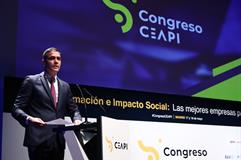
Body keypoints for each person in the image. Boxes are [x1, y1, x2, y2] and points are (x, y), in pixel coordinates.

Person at [12, 47, 82, 160]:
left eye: (58, 58)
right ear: (44, 61)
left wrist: (77, 119)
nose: (56, 61)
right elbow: (16, 109)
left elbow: (74, 109)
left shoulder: (65, 86)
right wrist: (29, 118)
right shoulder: (32, 81)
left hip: (58, 141)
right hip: (38, 140)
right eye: (52, 58)